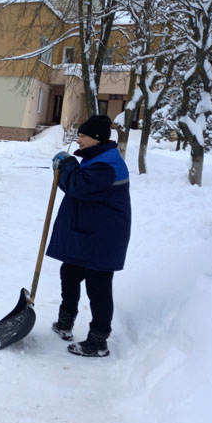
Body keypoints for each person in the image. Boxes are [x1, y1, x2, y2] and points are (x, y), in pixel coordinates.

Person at [46, 114, 131, 357]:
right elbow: (75, 187)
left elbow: (79, 187)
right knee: (70, 272)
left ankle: (98, 341)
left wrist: (68, 166)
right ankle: (65, 323)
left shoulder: (107, 164)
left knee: (98, 287)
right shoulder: (98, 158)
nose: (79, 139)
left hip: (103, 237)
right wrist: (66, 168)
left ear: (96, 138)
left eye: (83, 135)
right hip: (88, 233)